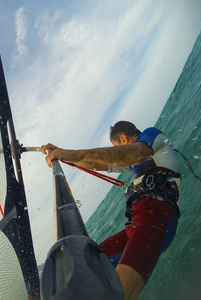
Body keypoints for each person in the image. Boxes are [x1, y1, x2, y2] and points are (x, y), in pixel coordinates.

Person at [41, 121, 181, 300]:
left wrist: (76, 153)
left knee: (119, 294)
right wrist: (63, 154)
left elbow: (132, 153)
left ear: (123, 138)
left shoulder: (151, 137)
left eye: (117, 146)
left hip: (157, 217)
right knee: (91, 266)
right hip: (136, 224)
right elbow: (96, 164)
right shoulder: (131, 164)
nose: (117, 150)